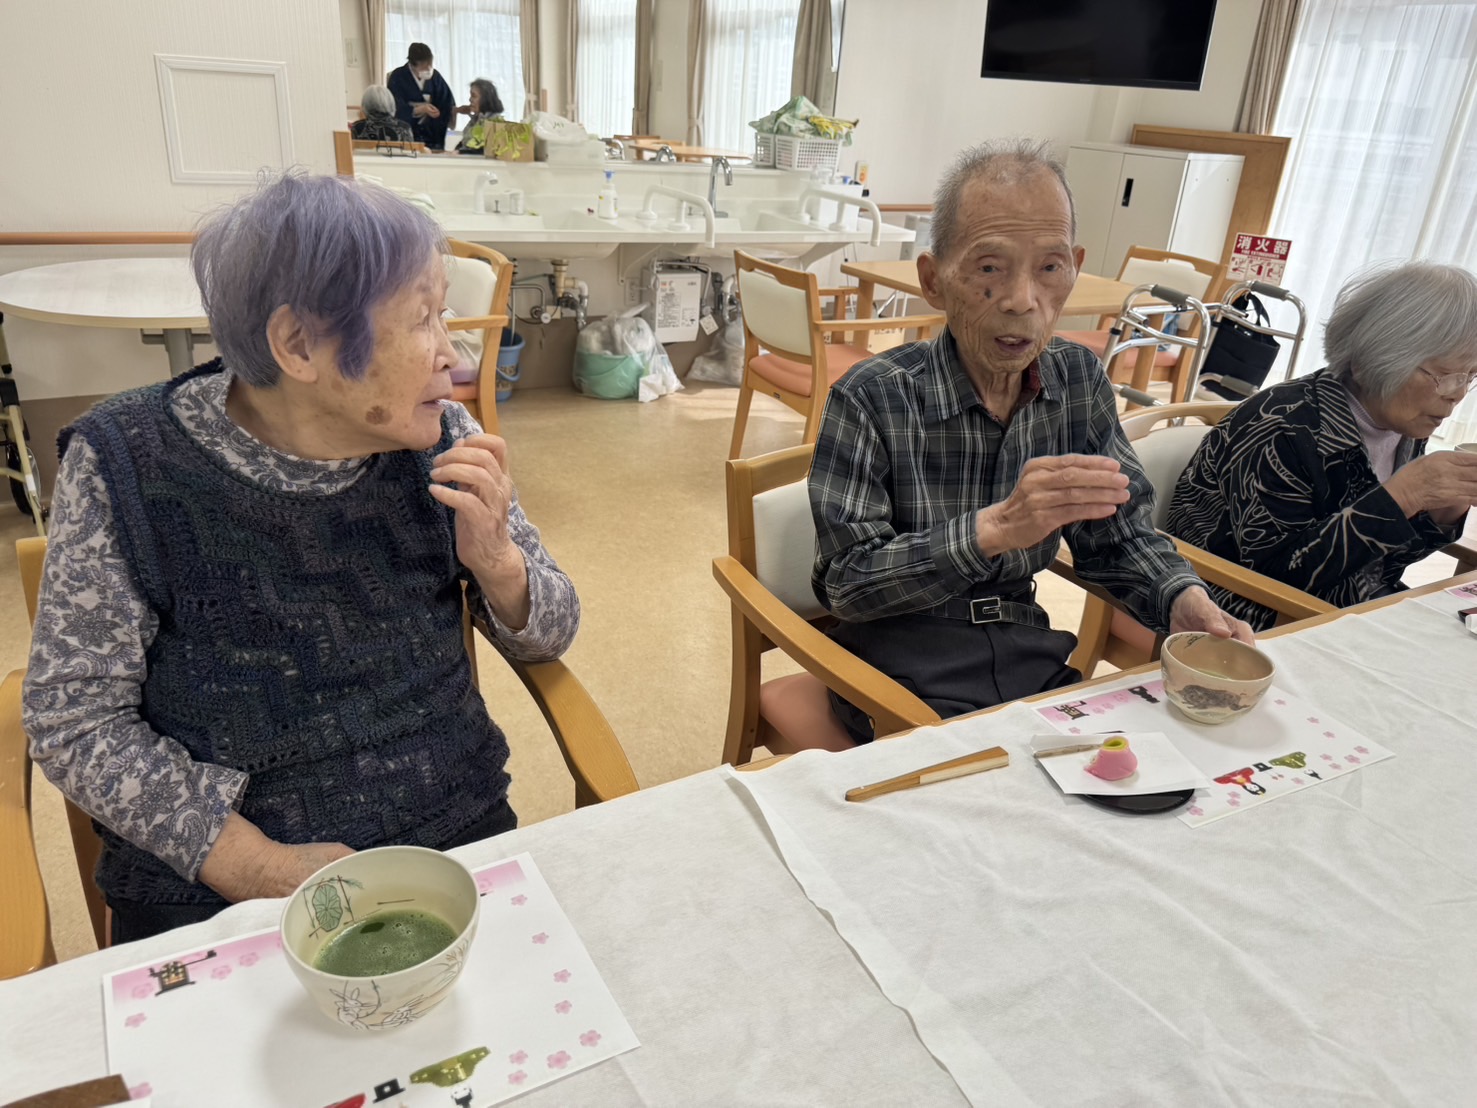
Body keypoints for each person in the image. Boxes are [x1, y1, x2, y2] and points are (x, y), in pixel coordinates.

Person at [22, 173, 579, 943]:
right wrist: (255, 865)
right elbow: (74, 719)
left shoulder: (445, 439)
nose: (452, 357)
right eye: (422, 319)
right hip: (221, 898)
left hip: (452, 843)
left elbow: (549, 633)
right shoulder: (130, 464)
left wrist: (498, 561)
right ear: (298, 345)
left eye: (444, 314)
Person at [761, 139, 1253, 753]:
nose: (1023, 300)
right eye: (990, 268)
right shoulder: (872, 397)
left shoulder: (1077, 381)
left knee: (1147, 777)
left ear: (1074, 269)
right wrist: (992, 530)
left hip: (1027, 652)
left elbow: (1119, 535)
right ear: (934, 280)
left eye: (1049, 267)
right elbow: (847, 585)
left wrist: (1181, 597)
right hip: (895, 659)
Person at [1167, 262, 1477, 629]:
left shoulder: (1403, 427)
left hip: (1343, 609)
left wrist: (1441, 514)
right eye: (1445, 375)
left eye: (1470, 376)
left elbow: (1380, 566)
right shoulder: (1281, 427)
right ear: (1377, 356)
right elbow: (1279, 579)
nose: (1457, 394)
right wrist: (1403, 497)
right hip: (1238, 619)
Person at [387, 43, 456, 150]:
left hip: (432, 133)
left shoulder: (435, 77)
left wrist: (442, 112)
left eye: (430, 63)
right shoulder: (398, 76)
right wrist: (418, 109)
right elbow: (394, 106)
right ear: (412, 64)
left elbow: (446, 101)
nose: (428, 67)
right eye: (424, 65)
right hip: (408, 133)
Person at [455, 78, 505, 155]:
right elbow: (465, 143)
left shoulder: (495, 121)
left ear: (485, 99)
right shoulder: (476, 119)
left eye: (474, 96)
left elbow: (485, 149)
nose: (470, 99)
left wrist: (460, 152)